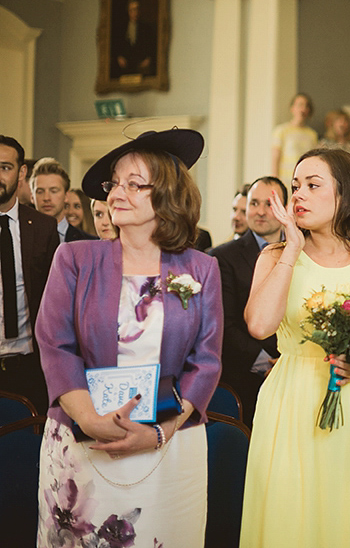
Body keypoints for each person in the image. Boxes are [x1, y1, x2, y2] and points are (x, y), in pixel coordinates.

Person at [35, 128, 223, 546]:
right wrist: (89, 420)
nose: (116, 193)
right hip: (83, 447)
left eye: (133, 184)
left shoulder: (200, 269)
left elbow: (205, 360)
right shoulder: (75, 259)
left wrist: (160, 432)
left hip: (170, 448)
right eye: (113, 183)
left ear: (169, 195)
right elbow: (55, 345)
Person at [240, 148, 350, 547]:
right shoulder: (274, 257)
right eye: (295, 186)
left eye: (312, 185)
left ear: (345, 195)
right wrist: (291, 249)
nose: (298, 194)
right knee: (291, 518)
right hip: (291, 399)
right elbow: (260, 325)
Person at [209, 177, 287, 429]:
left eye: (269, 203)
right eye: (254, 203)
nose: (261, 211)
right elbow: (225, 324)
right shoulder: (223, 256)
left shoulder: (304, 251)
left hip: (299, 369)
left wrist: (291, 362)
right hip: (249, 376)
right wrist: (267, 363)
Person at [0, 136, 59, 413]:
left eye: (4, 167)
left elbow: (55, 299)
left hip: (29, 364)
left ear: (21, 173)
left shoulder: (43, 227)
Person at [31, 158, 96, 243]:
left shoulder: (88, 242)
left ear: (66, 195)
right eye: (40, 192)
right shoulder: (21, 237)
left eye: (53, 191)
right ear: (32, 197)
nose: (46, 198)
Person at [271, 93, 319, 186]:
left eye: (306, 106)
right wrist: (275, 179)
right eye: (300, 105)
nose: (303, 109)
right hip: (285, 180)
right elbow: (275, 157)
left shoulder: (312, 134)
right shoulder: (281, 130)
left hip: (304, 180)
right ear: (292, 108)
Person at [112, 0, 157, 78]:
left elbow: (152, 48)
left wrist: (148, 60)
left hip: (141, 66)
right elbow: (116, 46)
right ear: (128, 12)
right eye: (132, 10)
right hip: (125, 67)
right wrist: (119, 57)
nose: (135, 12)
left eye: (136, 9)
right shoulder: (121, 28)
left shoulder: (146, 28)